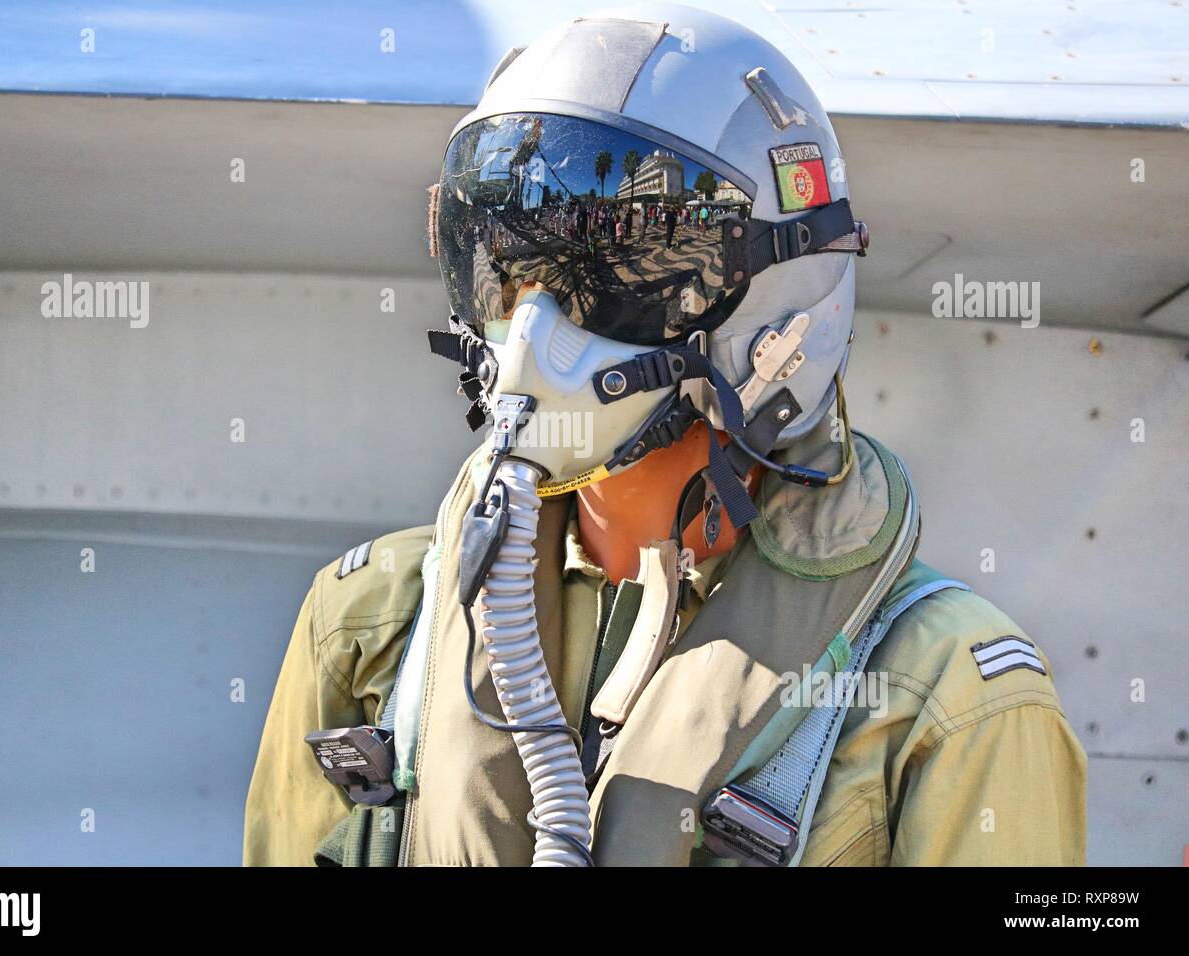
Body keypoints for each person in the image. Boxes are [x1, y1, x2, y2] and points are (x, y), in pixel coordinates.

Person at [245, 3, 1085, 868]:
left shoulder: (951, 697)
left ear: (776, 313)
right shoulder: (367, 629)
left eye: (612, 277)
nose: (532, 334)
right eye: (511, 268)